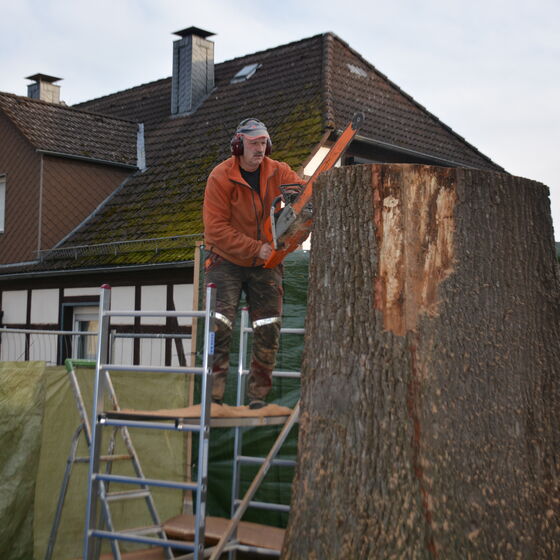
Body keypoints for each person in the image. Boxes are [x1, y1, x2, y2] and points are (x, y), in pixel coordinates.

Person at [203, 118, 303, 409]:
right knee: (218, 325)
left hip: (266, 261)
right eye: (253, 143)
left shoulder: (279, 171)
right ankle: (213, 397)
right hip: (226, 259)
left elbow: (304, 194)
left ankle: (258, 396)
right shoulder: (220, 177)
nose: (259, 149)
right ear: (238, 145)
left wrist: (298, 219)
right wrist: (256, 248)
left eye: (263, 143)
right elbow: (216, 229)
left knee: (268, 326)